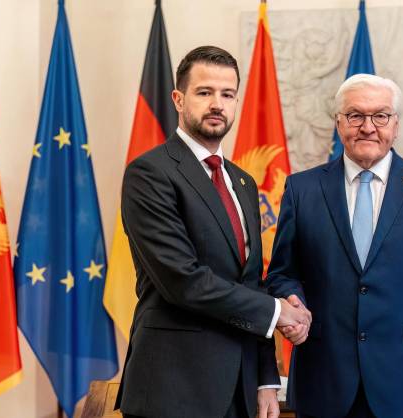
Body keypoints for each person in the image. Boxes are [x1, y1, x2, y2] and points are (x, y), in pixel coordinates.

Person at [116, 46, 311, 418]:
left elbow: (250, 283)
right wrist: (278, 312)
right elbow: (182, 280)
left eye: (227, 94)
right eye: (204, 92)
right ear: (178, 99)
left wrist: (265, 378)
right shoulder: (150, 173)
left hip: (240, 390)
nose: (217, 104)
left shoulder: (243, 183)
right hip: (173, 390)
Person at [266, 74, 403, 418]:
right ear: (338, 123)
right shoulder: (302, 189)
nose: (368, 127)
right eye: (355, 115)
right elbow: (282, 273)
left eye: (380, 116)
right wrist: (292, 299)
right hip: (324, 381)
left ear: (395, 125)